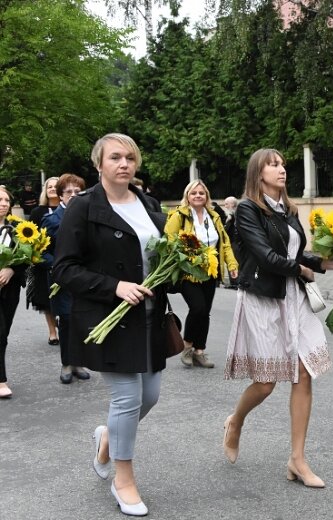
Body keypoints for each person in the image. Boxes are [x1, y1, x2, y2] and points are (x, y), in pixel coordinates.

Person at [53, 133, 169, 516]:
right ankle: (124, 480)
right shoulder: (83, 208)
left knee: (149, 396)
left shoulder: (149, 204)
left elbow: (158, 257)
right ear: (99, 164)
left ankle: (106, 440)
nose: (124, 163)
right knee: (127, 398)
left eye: (130, 158)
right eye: (115, 157)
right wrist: (114, 286)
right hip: (108, 317)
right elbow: (65, 268)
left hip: (150, 316)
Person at [222, 148, 333, 488]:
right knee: (265, 383)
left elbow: (294, 251)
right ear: (258, 173)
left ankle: (297, 459)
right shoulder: (247, 210)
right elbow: (265, 256)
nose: (281, 169)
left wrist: (324, 262)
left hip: (294, 297)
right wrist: (302, 269)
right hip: (263, 298)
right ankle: (236, 421)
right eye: (273, 165)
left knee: (303, 373)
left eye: (283, 164)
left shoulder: (288, 209)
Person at [164, 180, 238, 368]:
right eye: (194, 193)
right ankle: (187, 346)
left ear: (207, 197)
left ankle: (199, 351)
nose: (198, 196)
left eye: (201, 193)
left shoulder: (214, 217)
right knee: (197, 308)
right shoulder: (178, 216)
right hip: (188, 271)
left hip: (211, 271)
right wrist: (188, 256)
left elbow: (225, 243)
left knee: (205, 312)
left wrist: (231, 263)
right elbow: (169, 241)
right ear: (187, 196)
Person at [41, 174, 91, 384]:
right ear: (60, 195)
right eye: (69, 192)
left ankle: (79, 362)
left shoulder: (89, 216)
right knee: (68, 319)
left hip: (85, 277)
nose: (73, 195)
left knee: (82, 319)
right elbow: (41, 250)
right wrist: (56, 265)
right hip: (61, 278)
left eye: (77, 192)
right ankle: (67, 363)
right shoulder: (51, 220)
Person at [0, 186, 28, 399]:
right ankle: (1, 381)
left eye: (6, 201)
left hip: (9, 290)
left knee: (4, 333)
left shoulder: (18, 229)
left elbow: (28, 258)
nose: (3, 204)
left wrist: (11, 269)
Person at [29, 176, 60, 345]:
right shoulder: (37, 212)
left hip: (65, 259)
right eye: (50, 187)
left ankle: (64, 322)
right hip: (43, 260)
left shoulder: (69, 209)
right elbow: (31, 239)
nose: (53, 189)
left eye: (56, 186)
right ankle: (52, 332)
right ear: (45, 190)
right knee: (46, 299)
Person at [222, 196, 240, 288]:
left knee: (233, 261)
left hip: (235, 242)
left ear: (232, 205)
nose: (225, 206)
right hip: (233, 242)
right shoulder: (232, 215)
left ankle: (235, 282)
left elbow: (227, 230)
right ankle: (234, 282)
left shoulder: (234, 215)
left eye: (226, 204)